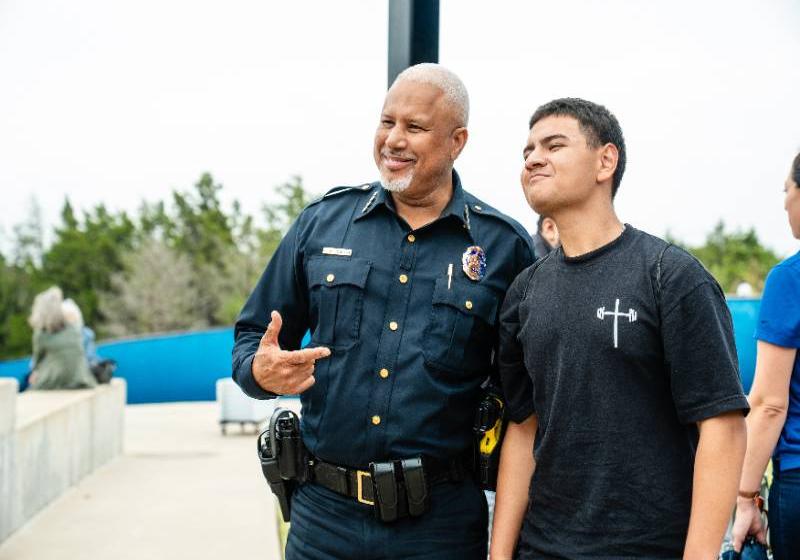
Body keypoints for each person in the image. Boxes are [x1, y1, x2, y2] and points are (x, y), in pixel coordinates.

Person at [233, 63, 534, 559]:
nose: (393, 140)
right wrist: (259, 373)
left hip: (439, 527)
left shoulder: (502, 248)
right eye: (386, 122)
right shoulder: (323, 223)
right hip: (322, 519)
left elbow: (525, 403)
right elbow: (250, 339)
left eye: (414, 128)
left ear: (457, 141)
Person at [490, 98, 749, 559]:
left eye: (554, 145)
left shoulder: (670, 277)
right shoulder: (524, 292)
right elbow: (524, 427)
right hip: (543, 546)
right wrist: (500, 553)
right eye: (527, 150)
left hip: (649, 548)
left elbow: (722, 428)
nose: (532, 158)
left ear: (605, 160)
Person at [731, 151, 800, 559]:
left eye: (786, 190)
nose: (784, 203)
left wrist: (745, 497)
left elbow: (769, 404)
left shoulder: (789, 280)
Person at [28, 287, 97, 390]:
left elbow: (36, 363)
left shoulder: (41, 335)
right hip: (83, 379)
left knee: (30, 381)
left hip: (55, 381)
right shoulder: (74, 328)